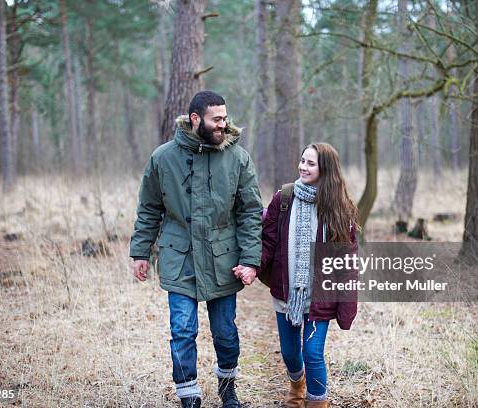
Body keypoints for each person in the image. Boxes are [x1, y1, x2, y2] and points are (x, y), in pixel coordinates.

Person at [130, 91, 262, 408]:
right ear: (195, 119)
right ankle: (189, 396)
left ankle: (228, 389)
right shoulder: (163, 158)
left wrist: (250, 260)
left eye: (224, 118)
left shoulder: (238, 158)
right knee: (182, 331)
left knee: (225, 333)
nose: (223, 124)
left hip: (223, 258)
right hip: (179, 256)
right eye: (216, 119)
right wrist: (140, 253)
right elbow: (149, 209)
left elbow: (250, 213)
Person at [248, 143, 358, 407]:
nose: (303, 167)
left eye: (310, 163)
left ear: (325, 170)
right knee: (289, 353)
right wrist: (253, 267)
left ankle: (317, 403)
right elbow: (268, 242)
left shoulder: (339, 209)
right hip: (287, 293)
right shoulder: (284, 199)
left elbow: (347, 262)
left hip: (320, 298)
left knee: (312, 353)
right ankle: (297, 386)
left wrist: (346, 305)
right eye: (302, 161)